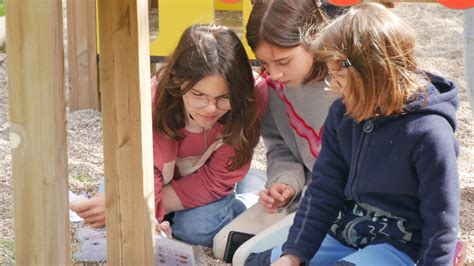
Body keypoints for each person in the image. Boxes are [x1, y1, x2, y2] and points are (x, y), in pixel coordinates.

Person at [247, 3, 460, 265]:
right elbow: (323, 191)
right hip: (347, 232)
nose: (332, 86)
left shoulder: (430, 134)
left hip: (400, 244)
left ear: (372, 71)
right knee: (259, 261)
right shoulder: (342, 112)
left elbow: (441, 223)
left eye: (338, 76)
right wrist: (293, 255)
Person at [71, 24, 268, 247]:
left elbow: (217, 178)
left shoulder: (253, 95)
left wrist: (134, 207)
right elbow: (143, 167)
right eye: (198, 95)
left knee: (198, 229)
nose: (210, 108)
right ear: (178, 80)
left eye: (224, 97)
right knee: (111, 216)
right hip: (153, 176)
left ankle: (250, 188)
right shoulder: (152, 100)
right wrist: (145, 215)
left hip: (208, 177)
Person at [213, 0, 339, 260]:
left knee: (247, 256)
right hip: (306, 196)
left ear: (314, 38)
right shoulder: (273, 86)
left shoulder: (345, 84)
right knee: (225, 245)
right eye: (266, 63)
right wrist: (286, 183)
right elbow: (280, 146)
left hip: (339, 204)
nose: (275, 74)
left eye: (284, 61)